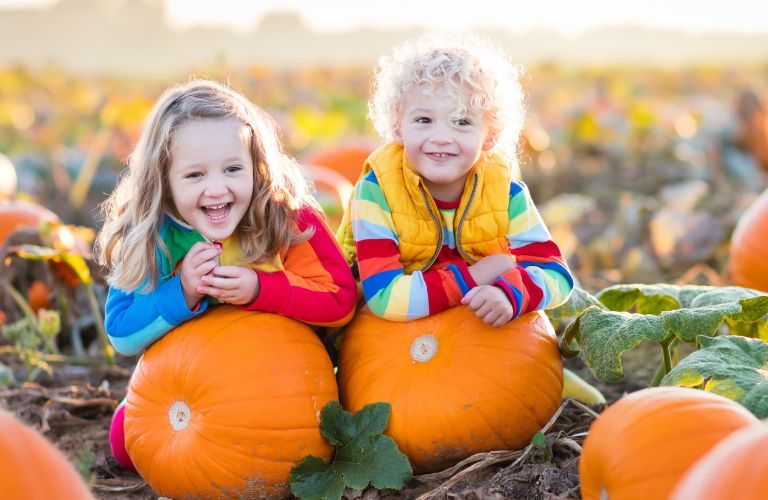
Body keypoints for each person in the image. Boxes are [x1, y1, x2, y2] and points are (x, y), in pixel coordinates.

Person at [95, 79, 357, 469]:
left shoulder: (286, 219)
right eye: (195, 176)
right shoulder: (154, 236)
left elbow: (340, 299)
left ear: (257, 165)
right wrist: (181, 293)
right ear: (163, 179)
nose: (217, 189)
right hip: (193, 388)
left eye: (233, 169)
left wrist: (261, 289)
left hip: (284, 384)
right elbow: (121, 333)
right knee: (127, 444)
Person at [337, 33, 573, 326]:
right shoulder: (376, 192)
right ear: (398, 126)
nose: (441, 137)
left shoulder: (506, 193)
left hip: (479, 337)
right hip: (391, 339)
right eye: (424, 120)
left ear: (490, 134)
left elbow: (557, 275)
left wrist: (509, 292)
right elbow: (385, 297)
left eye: (462, 122)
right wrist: (475, 276)